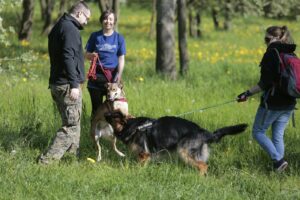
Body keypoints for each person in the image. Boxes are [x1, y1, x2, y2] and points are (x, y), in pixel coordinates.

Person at [237, 26, 297, 172]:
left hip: (273, 103)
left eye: (267, 39)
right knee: (278, 135)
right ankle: (279, 168)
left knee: (258, 132)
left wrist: (246, 93)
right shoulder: (291, 53)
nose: (265, 42)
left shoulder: (271, 54)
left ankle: (277, 161)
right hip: (289, 102)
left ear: (275, 39)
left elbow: (265, 83)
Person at [38, 1, 91, 164]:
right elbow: (67, 56)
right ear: (80, 13)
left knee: (73, 122)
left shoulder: (59, 26)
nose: (86, 22)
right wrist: (74, 84)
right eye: (87, 18)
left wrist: (84, 56)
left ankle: (70, 158)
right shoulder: (70, 29)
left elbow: (66, 53)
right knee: (71, 126)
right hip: (67, 84)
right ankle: (46, 162)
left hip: (57, 83)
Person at [85, 9, 126, 117]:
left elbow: (121, 59)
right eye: (105, 19)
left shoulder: (119, 38)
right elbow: (86, 55)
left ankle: (114, 133)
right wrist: (91, 56)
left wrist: (118, 76)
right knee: (97, 110)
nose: (108, 21)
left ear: (114, 21)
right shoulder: (95, 36)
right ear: (101, 21)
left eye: (111, 19)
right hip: (96, 78)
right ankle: (94, 132)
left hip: (112, 78)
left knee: (114, 109)